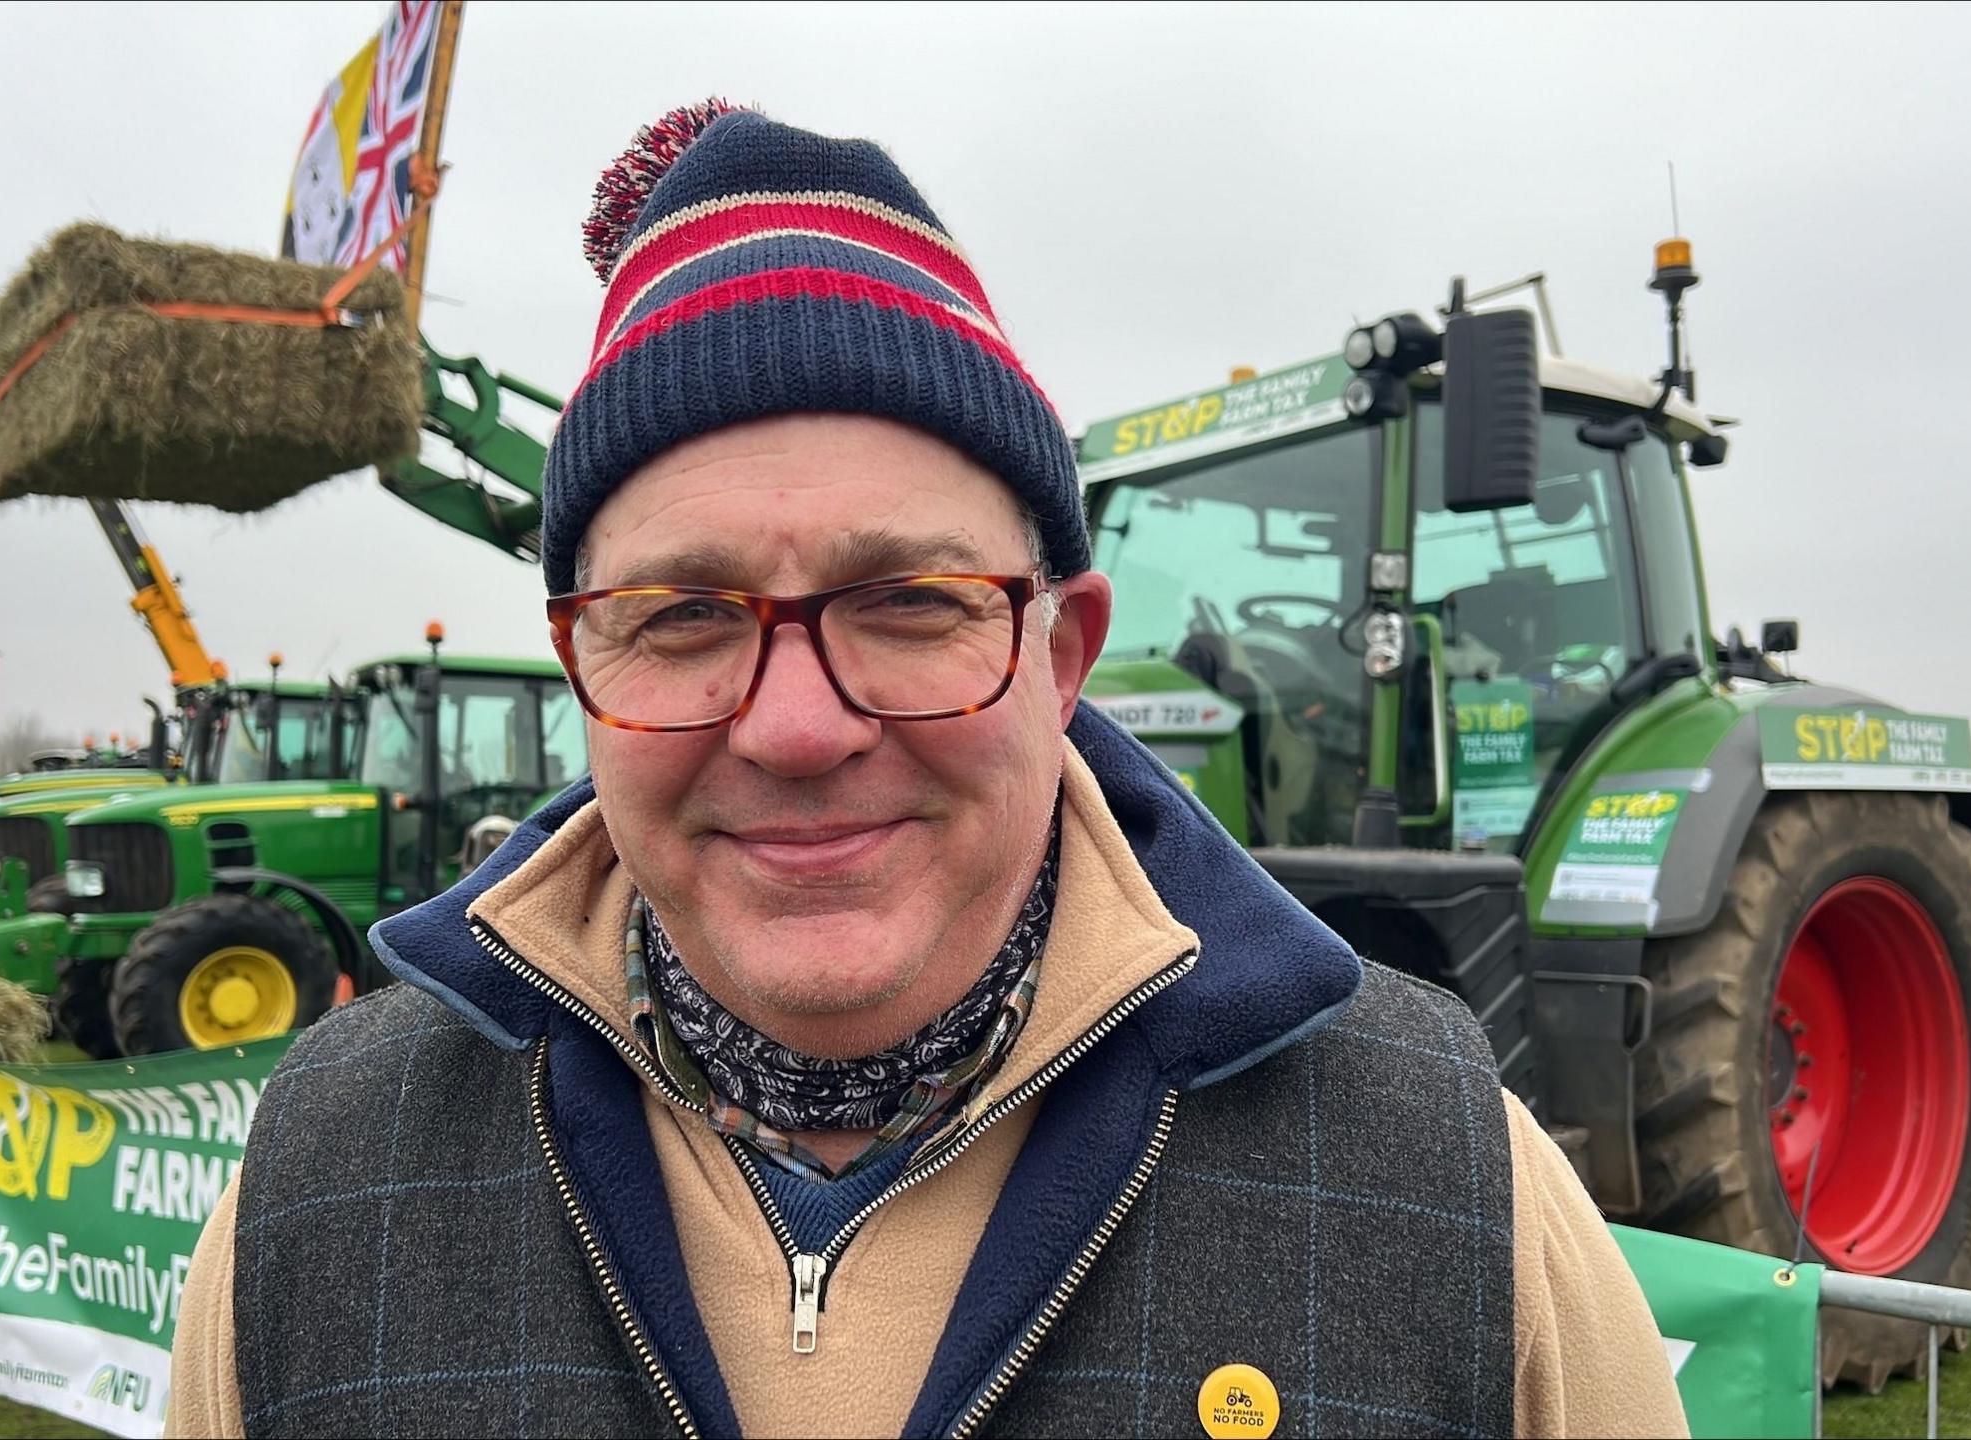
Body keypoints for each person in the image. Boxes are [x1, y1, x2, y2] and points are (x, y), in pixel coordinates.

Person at [168, 103, 1686, 1439]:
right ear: (583, 671)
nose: (797, 727)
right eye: (683, 617)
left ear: (1063, 651)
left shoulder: (1450, 1188)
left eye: (909, 603)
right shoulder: (313, 1197)